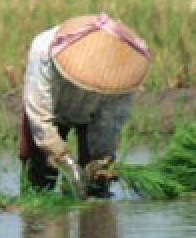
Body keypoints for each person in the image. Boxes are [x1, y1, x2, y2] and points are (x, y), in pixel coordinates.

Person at [20, 13, 151, 198]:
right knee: (38, 178)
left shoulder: (125, 73)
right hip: (52, 108)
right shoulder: (44, 50)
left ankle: (94, 217)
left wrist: (102, 158)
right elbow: (39, 115)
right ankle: (40, 215)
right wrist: (62, 157)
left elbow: (110, 122)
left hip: (92, 114)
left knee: (96, 186)